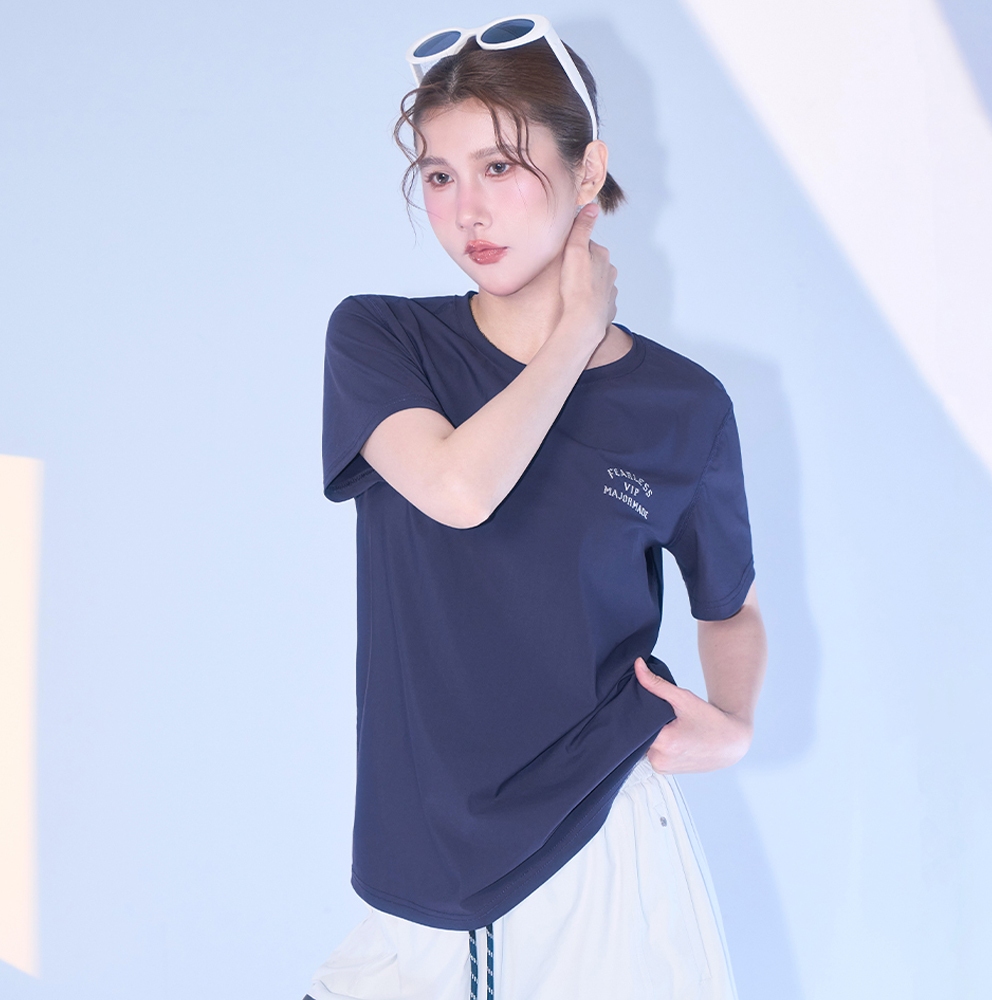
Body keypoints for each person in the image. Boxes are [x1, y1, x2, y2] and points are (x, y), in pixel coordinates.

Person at [304, 14, 767, 1000]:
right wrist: (573, 335)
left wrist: (733, 724)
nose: (467, 209)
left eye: (501, 167)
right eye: (439, 175)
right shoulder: (385, 343)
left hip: (602, 855)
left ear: (587, 169)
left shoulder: (683, 407)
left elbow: (731, 606)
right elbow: (459, 490)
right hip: (440, 863)